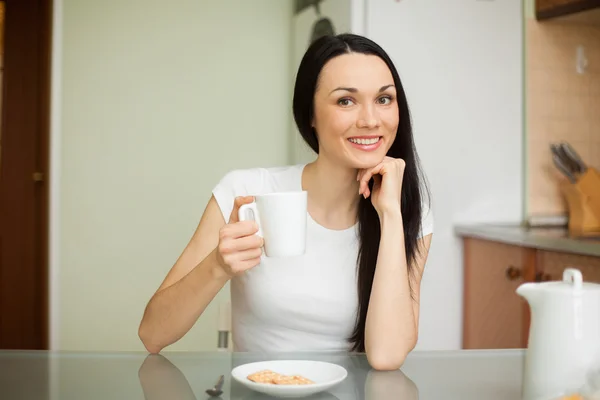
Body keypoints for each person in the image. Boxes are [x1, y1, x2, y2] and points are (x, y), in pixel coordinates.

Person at [138, 33, 433, 371]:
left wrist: (391, 215)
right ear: (310, 114)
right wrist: (218, 266)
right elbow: (152, 334)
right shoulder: (246, 192)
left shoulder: (408, 211)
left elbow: (386, 356)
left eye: (384, 99)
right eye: (345, 101)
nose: (370, 120)